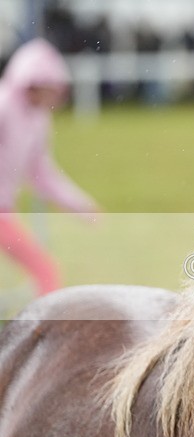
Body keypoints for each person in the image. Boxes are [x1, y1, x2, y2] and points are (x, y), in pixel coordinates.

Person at [0, 38, 99, 295]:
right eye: (52, 88)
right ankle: (44, 330)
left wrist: (80, 205)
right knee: (45, 270)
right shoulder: (5, 106)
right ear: (35, 83)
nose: (55, 95)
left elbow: (42, 174)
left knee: (44, 270)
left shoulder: (38, 120)